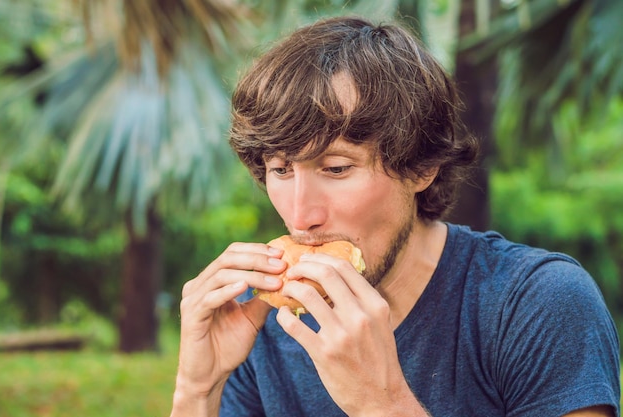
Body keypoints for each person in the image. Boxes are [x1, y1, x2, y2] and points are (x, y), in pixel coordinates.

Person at [170, 16, 620, 417]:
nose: (300, 215)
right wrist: (197, 390)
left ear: (422, 166)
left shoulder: (536, 303)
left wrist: (380, 403)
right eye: (281, 169)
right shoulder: (262, 327)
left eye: (336, 168)